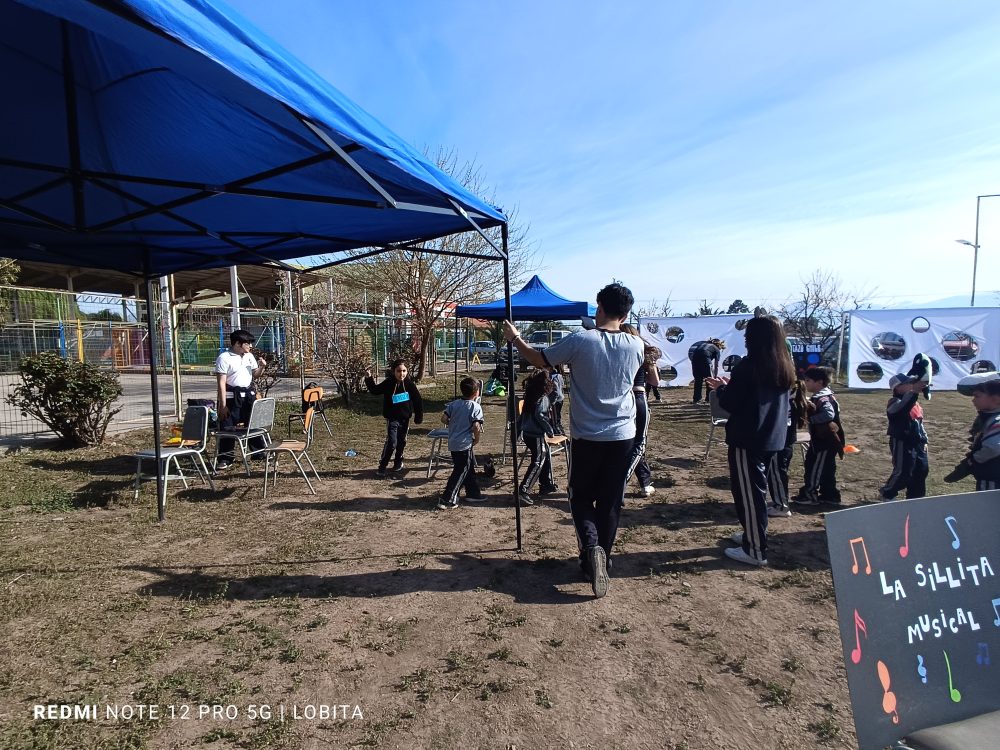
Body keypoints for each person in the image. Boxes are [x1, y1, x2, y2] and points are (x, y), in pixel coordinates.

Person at [503, 282, 644, 598]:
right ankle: (600, 559)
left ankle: (591, 548)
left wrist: (514, 339)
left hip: (588, 435)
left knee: (580, 497)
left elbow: (539, 360)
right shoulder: (636, 346)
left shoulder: (582, 340)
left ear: (600, 307)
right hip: (623, 434)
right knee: (610, 501)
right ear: (627, 312)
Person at [706, 315, 793, 567]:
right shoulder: (783, 365)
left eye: (747, 336)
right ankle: (752, 535)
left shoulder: (749, 366)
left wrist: (721, 388)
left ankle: (755, 549)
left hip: (748, 438)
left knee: (749, 495)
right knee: (756, 491)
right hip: (774, 436)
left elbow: (730, 403)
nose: (744, 340)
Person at [215, 329, 267, 470]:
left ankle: (258, 452)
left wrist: (262, 366)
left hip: (248, 397)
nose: (250, 346)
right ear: (238, 343)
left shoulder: (249, 356)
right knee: (228, 428)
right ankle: (225, 458)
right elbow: (221, 382)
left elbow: (255, 375)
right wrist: (223, 405)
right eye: (247, 343)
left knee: (253, 424)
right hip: (232, 398)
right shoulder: (224, 358)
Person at [793, 366, 845, 506]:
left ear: (819, 382)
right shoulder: (824, 395)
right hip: (823, 441)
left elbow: (829, 414)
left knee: (815, 467)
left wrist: (810, 420)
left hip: (824, 441)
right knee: (827, 468)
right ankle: (830, 494)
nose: (806, 383)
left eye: (808, 380)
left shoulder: (822, 398)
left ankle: (810, 495)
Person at [364, 359, 423, 475]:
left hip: (405, 419)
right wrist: (368, 378)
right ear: (393, 371)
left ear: (407, 371)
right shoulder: (389, 383)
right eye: (398, 371)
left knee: (402, 442)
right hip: (392, 419)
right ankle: (383, 465)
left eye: (404, 371)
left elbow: (417, 400)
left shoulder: (409, 384)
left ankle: (398, 462)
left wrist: (418, 416)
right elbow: (375, 390)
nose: (401, 374)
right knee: (392, 443)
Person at [437, 377, 485, 509]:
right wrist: (477, 439)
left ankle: (473, 493)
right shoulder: (476, 407)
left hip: (453, 442)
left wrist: (453, 423)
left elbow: (444, 418)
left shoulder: (454, 404)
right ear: (477, 393)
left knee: (467, 468)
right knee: (460, 470)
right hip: (465, 443)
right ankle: (448, 498)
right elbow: (476, 426)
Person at [880, 373, 929, 500]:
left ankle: (916, 497)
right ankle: (887, 493)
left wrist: (924, 439)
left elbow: (919, 422)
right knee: (904, 471)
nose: (911, 385)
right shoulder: (894, 402)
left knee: (921, 470)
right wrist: (914, 392)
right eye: (908, 383)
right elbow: (900, 409)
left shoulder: (915, 403)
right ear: (898, 388)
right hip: (903, 441)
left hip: (918, 442)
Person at [944, 380, 1000, 490]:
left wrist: (971, 462)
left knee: (987, 506)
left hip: (992, 478)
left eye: (977, 396)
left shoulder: (996, 421)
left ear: (995, 399)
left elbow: (993, 448)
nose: (973, 400)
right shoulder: (987, 418)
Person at [766, 379, 809, 518]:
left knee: (777, 475)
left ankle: (782, 507)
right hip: (785, 443)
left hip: (779, 444)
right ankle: (780, 502)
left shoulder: (786, 404)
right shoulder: (793, 401)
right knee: (779, 474)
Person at [622, 324, 655, 498]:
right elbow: (655, 381)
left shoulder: (619, 351)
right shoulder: (642, 352)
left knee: (628, 442)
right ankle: (620, 482)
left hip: (623, 398)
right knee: (638, 444)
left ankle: (645, 481)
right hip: (639, 397)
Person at [516, 369, 558, 505]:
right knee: (538, 462)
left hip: (528, 433)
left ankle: (546, 484)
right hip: (536, 434)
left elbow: (523, 416)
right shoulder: (543, 398)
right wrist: (550, 430)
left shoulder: (530, 395)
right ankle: (523, 490)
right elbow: (541, 416)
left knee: (543, 457)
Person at [689, 338, 725, 404]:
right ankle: (708, 399)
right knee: (709, 381)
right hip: (705, 359)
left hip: (694, 359)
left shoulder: (704, 344)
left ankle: (696, 399)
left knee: (698, 380)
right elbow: (716, 365)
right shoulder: (716, 349)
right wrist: (715, 377)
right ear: (719, 346)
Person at [550, 365, 566, 435]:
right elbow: (562, 385)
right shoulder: (559, 375)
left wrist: (552, 401)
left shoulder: (553, 377)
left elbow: (556, 391)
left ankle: (557, 432)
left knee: (554, 419)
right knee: (558, 416)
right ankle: (560, 429)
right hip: (561, 399)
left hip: (555, 401)